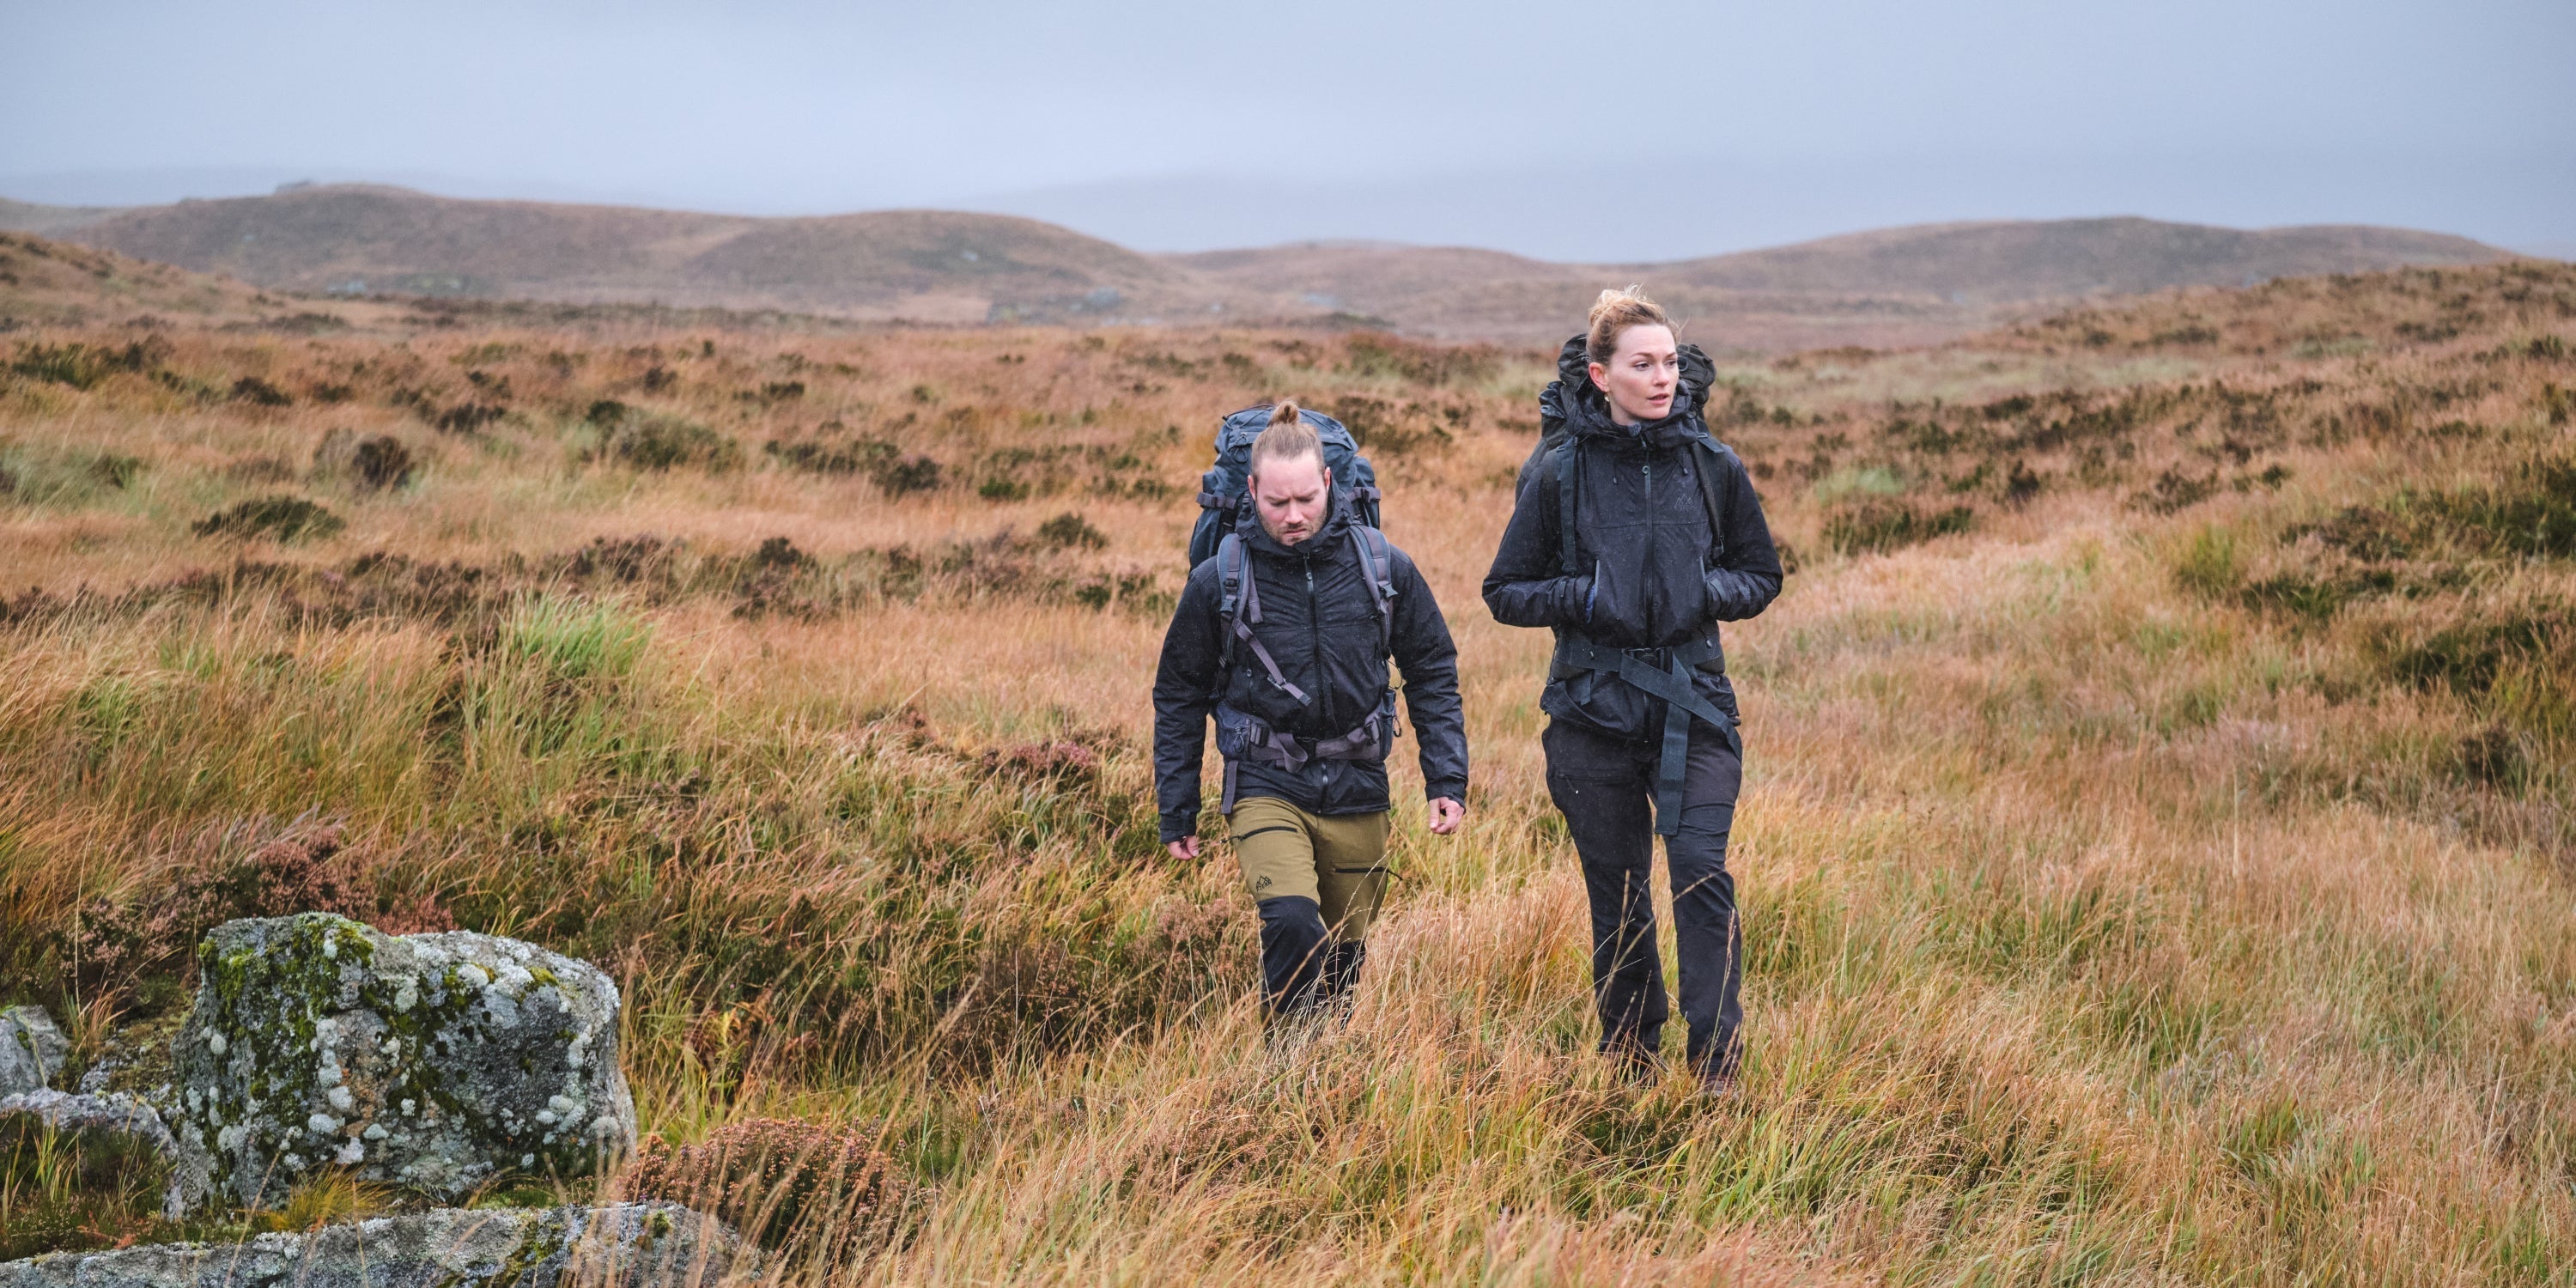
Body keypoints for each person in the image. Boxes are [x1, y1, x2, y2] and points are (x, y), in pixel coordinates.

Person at [1482, 287, 1783, 1091]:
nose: (1662, 379)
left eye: (1671, 363)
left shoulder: (1712, 465)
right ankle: (1629, 1064)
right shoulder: (1560, 473)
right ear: (1600, 374)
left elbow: (1761, 574)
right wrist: (1583, 597)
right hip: (1591, 714)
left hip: (1695, 708)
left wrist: (1701, 591)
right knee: (1616, 895)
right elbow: (1506, 590)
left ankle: (1717, 1066)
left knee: (1701, 873)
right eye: (1642, 364)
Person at [1153, 401, 1468, 1025]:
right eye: (1276, 503)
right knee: (1293, 921)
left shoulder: (1383, 566)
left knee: (1345, 956)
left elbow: (1432, 669)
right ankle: (1286, 1077)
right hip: (1265, 783)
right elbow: (1179, 694)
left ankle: (1325, 1073)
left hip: (1359, 784)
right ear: (1251, 492)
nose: (1293, 516)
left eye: (1305, 498)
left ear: (1329, 483)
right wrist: (1177, 806)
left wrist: (1447, 779)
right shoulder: (1220, 580)